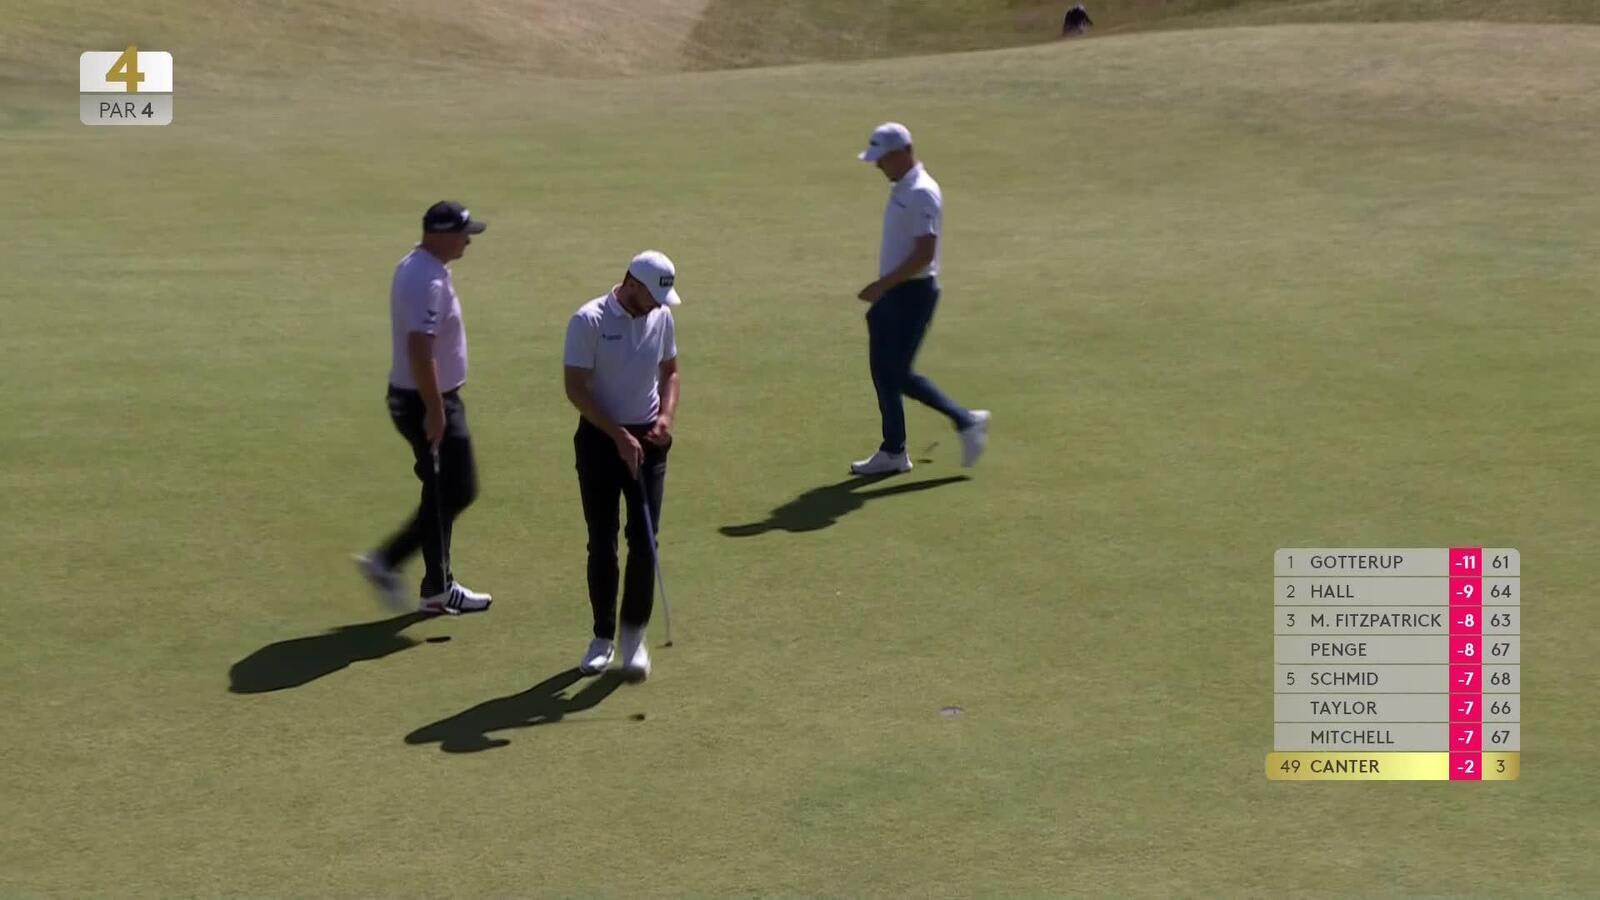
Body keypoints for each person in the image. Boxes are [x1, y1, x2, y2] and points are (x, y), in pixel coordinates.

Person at [355, 201, 493, 615]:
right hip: (427, 402)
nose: (468, 241)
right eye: (463, 233)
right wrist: (435, 409)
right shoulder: (426, 279)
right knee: (457, 488)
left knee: (442, 490)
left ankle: (437, 587)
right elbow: (420, 348)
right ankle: (388, 562)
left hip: (426, 399)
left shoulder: (420, 266)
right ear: (440, 233)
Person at [563, 251, 682, 682]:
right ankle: (602, 638)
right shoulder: (588, 320)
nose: (658, 305)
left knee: (645, 539)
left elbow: (670, 372)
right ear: (631, 283)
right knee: (602, 540)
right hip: (599, 439)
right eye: (653, 295)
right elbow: (575, 389)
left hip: (649, 438)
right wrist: (617, 434)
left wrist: (665, 419)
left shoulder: (662, 315)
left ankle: (634, 637)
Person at [851, 122, 989, 476]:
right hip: (895, 293)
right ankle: (894, 451)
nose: (879, 166)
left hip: (913, 294)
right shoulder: (903, 187)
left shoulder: (923, 191)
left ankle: (966, 421)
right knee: (883, 373)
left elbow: (924, 253)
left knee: (897, 373)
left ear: (902, 153)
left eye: (883, 159)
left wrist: (882, 285)